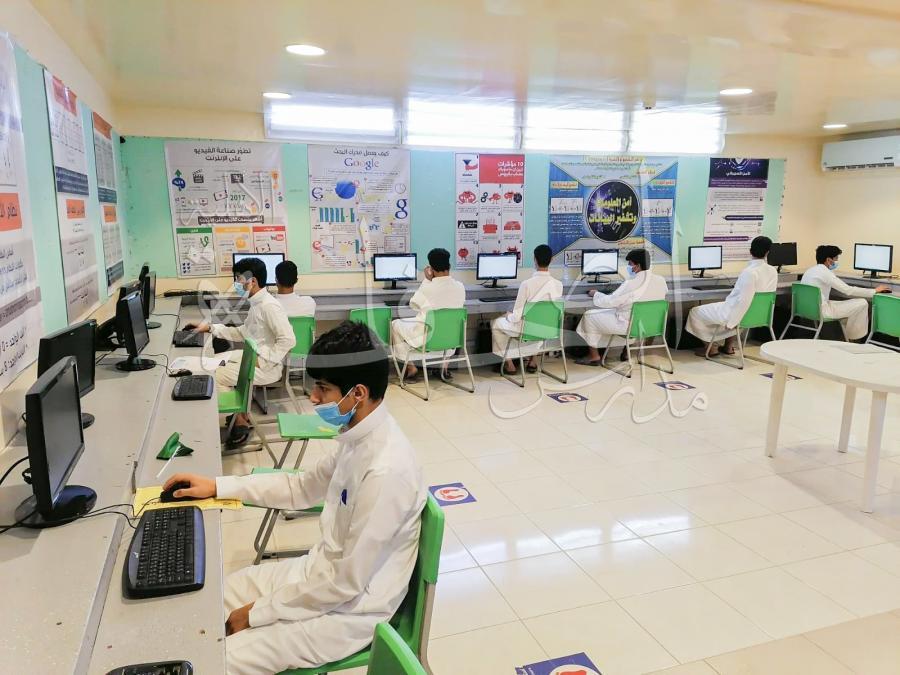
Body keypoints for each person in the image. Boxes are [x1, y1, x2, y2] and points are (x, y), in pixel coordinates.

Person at [163, 322, 426, 675]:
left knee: (218, 662)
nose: (313, 398)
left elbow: (345, 584)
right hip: (318, 576)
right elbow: (300, 488)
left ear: (358, 393)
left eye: (323, 388)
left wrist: (257, 613)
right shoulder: (357, 438)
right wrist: (217, 486)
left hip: (347, 613)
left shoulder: (386, 470)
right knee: (213, 598)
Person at [186, 257, 295, 446]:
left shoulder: (269, 306)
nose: (236, 283)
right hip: (252, 356)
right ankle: (240, 413)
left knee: (213, 375)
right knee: (211, 361)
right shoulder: (257, 303)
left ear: (253, 281)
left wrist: (265, 361)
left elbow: (288, 340)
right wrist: (210, 328)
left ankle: (239, 419)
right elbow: (242, 332)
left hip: (265, 366)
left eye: (238, 278)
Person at [685, 236, 778, 356]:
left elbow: (744, 301)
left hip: (738, 312)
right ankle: (728, 347)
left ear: (750, 251)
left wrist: (732, 322)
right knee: (735, 312)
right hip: (757, 314)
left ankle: (711, 348)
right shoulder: (773, 271)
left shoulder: (749, 272)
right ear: (767, 252)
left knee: (695, 312)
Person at [574, 248, 668, 366]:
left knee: (589, 316)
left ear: (638, 266)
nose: (629, 267)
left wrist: (596, 294)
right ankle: (626, 353)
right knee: (629, 313)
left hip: (629, 326)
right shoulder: (661, 280)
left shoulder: (630, 283)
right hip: (651, 325)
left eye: (630, 264)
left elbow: (610, 302)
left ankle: (594, 356)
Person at [390, 248, 465, 380]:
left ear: (431, 269)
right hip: (451, 340)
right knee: (447, 326)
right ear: (449, 266)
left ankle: (411, 367)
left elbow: (413, 305)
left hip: (428, 339)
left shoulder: (428, 287)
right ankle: (444, 367)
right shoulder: (460, 286)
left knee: (395, 324)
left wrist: (427, 280)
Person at [491, 244, 563, 374]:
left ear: (534, 259)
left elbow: (516, 317)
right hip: (547, 329)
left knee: (496, 323)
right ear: (552, 260)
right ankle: (533, 361)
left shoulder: (526, 284)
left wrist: (508, 316)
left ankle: (509, 364)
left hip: (526, 329)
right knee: (539, 322)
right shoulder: (558, 285)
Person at [800, 245, 889, 341]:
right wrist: (874, 291)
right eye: (836, 259)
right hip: (822, 311)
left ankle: (847, 335)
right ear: (828, 260)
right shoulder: (825, 273)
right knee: (863, 303)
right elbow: (848, 290)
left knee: (850, 304)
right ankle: (853, 339)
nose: (836, 262)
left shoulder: (810, 270)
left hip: (808, 309)